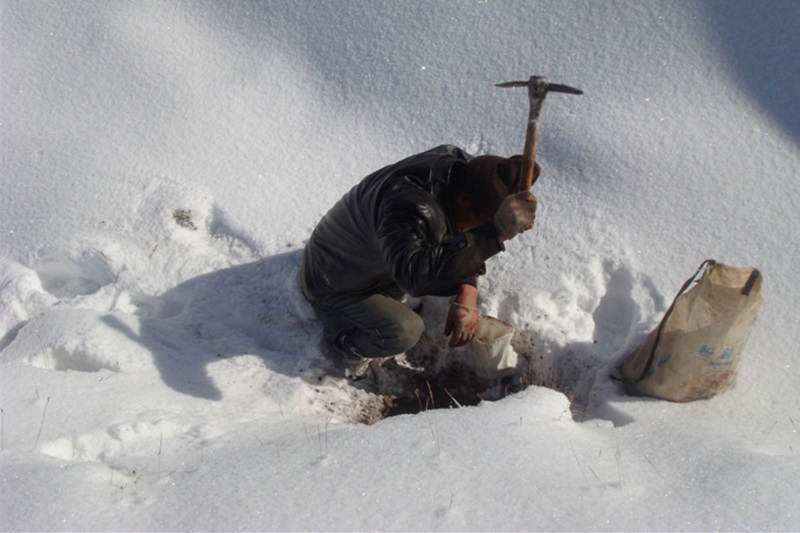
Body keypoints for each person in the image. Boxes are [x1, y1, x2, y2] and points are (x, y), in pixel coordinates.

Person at [299, 144, 539, 379]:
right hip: (332, 276)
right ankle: (345, 350)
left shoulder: (465, 173)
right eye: (481, 223)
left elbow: (458, 235)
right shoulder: (408, 206)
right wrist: (494, 234)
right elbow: (414, 277)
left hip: (372, 258)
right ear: (464, 199)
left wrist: (468, 288)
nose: (475, 230)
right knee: (404, 329)